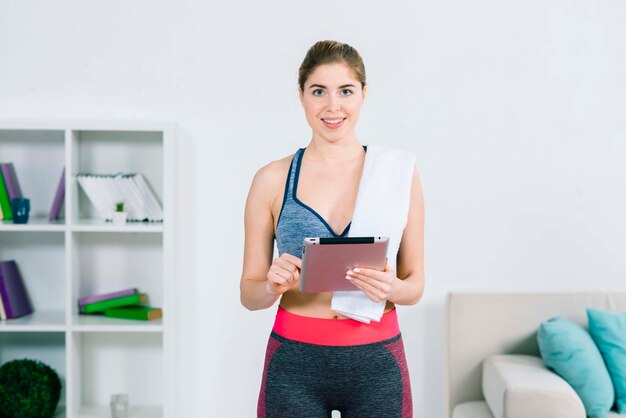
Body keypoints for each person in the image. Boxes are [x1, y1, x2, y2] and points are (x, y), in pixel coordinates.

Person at [240, 40, 425, 418]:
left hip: (378, 364)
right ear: (301, 96)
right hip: (294, 364)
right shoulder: (272, 179)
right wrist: (271, 286)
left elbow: (415, 283)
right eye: (318, 91)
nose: (332, 106)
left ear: (363, 95)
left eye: (346, 91)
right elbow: (249, 293)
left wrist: (394, 288)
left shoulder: (397, 175)